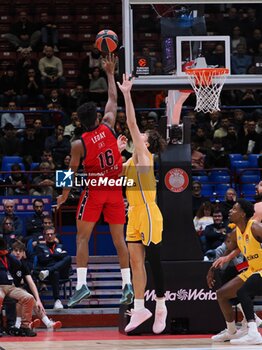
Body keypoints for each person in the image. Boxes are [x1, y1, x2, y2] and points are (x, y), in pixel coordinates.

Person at [57, 54, 133, 308]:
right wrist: (110, 73)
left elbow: (70, 172)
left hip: (95, 191)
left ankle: (81, 285)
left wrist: (65, 195)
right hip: (115, 190)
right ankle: (127, 285)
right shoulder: (110, 126)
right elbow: (113, 98)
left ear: (80, 121)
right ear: (98, 117)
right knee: (119, 239)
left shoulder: (78, 144)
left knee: (82, 238)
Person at [117, 74, 167, 334]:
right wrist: (117, 149)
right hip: (133, 213)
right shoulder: (132, 160)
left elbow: (131, 122)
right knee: (135, 262)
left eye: (141, 136)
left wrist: (127, 93)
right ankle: (140, 307)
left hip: (148, 212)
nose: (138, 136)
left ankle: (160, 304)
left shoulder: (145, 156)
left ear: (145, 143)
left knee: (153, 260)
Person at [207, 199, 262, 344]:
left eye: (235, 209)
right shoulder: (235, 233)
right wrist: (212, 269)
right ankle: (231, 331)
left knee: (242, 292)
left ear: (243, 214)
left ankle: (253, 332)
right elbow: (226, 251)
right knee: (221, 295)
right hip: (252, 270)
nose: (230, 211)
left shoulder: (255, 227)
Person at [11, 240, 62, 331]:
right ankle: (20, 324)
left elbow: (31, 283)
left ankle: (47, 323)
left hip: (16, 292)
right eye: (15, 250)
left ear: (23, 253)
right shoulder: (7, 262)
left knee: (30, 297)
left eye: (20, 251)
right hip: (5, 290)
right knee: (22, 295)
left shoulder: (23, 265)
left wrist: (38, 300)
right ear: (11, 252)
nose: (18, 253)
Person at [0, 238, 36, 337]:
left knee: (29, 298)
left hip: (11, 287)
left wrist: (7, 254)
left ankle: (25, 326)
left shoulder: (8, 258)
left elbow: (18, 264)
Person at [35, 226, 72, 310]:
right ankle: (57, 300)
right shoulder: (39, 247)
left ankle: (49, 271)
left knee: (68, 258)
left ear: (55, 235)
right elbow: (42, 260)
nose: (50, 236)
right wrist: (57, 256)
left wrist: (50, 256)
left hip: (62, 273)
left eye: (52, 234)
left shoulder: (61, 246)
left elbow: (65, 256)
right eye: (48, 234)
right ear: (44, 236)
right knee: (55, 272)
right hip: (49, 275)